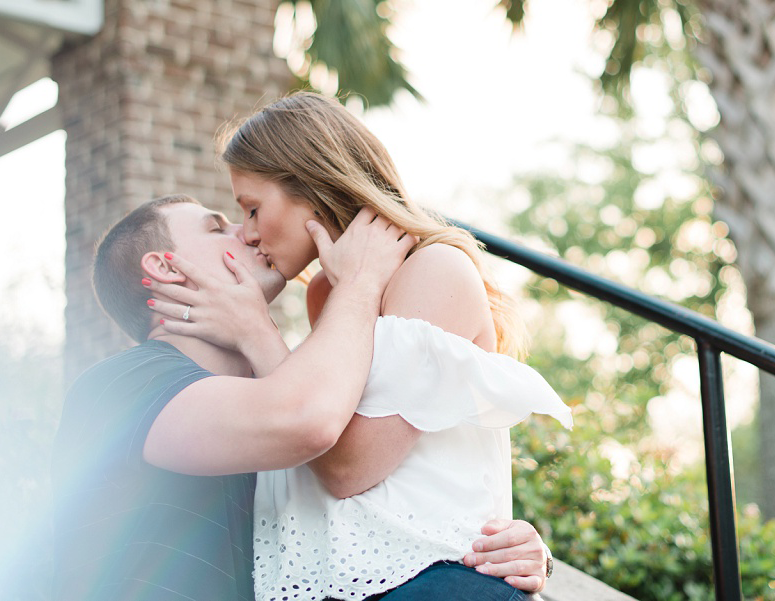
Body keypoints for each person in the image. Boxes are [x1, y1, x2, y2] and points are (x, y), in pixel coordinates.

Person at [149, 91, 573, 601]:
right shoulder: (328, 293)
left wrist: (255, 329)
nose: (250, 234)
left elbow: (351, 468)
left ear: (310, 183)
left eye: (254, 208)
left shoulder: (434, 268)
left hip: (435, 582)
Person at [52, 194, 551, 601]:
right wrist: (361, 280)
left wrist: (509, 547)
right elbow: (309, 424)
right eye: (217, 226)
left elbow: (358, 510)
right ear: (164, 267)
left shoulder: (263, 408)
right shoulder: (120, 387)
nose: (247, 233)